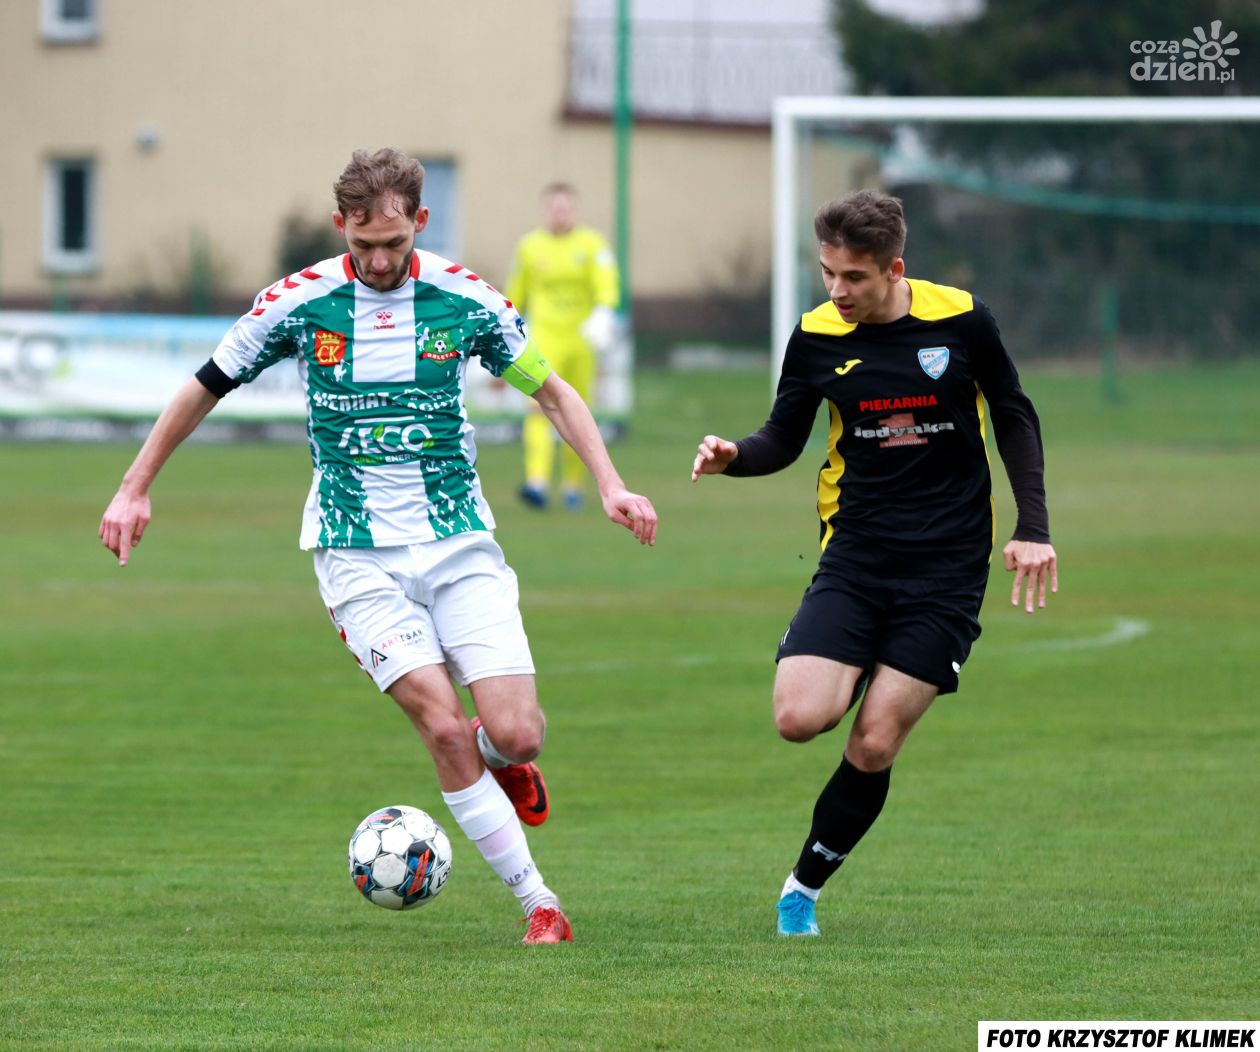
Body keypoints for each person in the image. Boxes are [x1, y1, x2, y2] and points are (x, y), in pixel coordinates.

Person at [99, 148, 658, 945]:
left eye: (394, 242)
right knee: (441, 726)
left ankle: (505, 759)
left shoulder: (466, 301)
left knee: (518, 733)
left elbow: (554, 392)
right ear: (342, 226)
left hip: (458, 542)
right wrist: (134, 486)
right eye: (363, 244)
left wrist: (610, 484)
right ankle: (540, 904)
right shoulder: (298, 303)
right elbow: (205, 384)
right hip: (354, 551)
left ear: (420, 222)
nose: (380, 260)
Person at [690, 190, 1057, 938]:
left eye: (853, 276)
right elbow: (783, 437)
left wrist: (1034, 527)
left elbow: (1014, 414)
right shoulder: (816, 335)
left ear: (894, 269)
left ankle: (802, 889)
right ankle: (846, 659)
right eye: (827, 272)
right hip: (856, 555)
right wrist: (735, 456)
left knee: (876, 740)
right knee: (799, 718)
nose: (836, 290)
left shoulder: (962, 320)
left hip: (948, 569)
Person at [506, 182, 620, 510]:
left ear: (574, 209)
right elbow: (516, 293)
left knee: (579, 410)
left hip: (581, 339)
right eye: (555, 208)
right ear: (546, 210)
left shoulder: (592, 245)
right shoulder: (530, 247)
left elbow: (606, 283)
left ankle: (573, 484)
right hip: (544, 339)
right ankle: (537, 481)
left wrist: (604, 312)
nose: (560, 213)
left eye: (565, 208)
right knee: (537, 407)